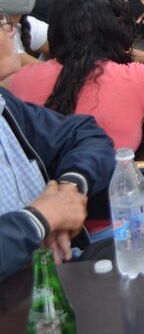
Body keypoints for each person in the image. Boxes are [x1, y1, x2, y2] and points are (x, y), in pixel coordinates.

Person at [7, 0, 144, 252]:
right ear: (119, 28)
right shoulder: (133, 78)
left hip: (48, 232)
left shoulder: (15, 84)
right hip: (119, 231)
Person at [0, 14, 116, 281]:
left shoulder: (5, 106)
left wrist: (70, 188)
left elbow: (83, 133)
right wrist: (40, 219)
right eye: (2, 22)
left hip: (51, 285)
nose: (11, 29)